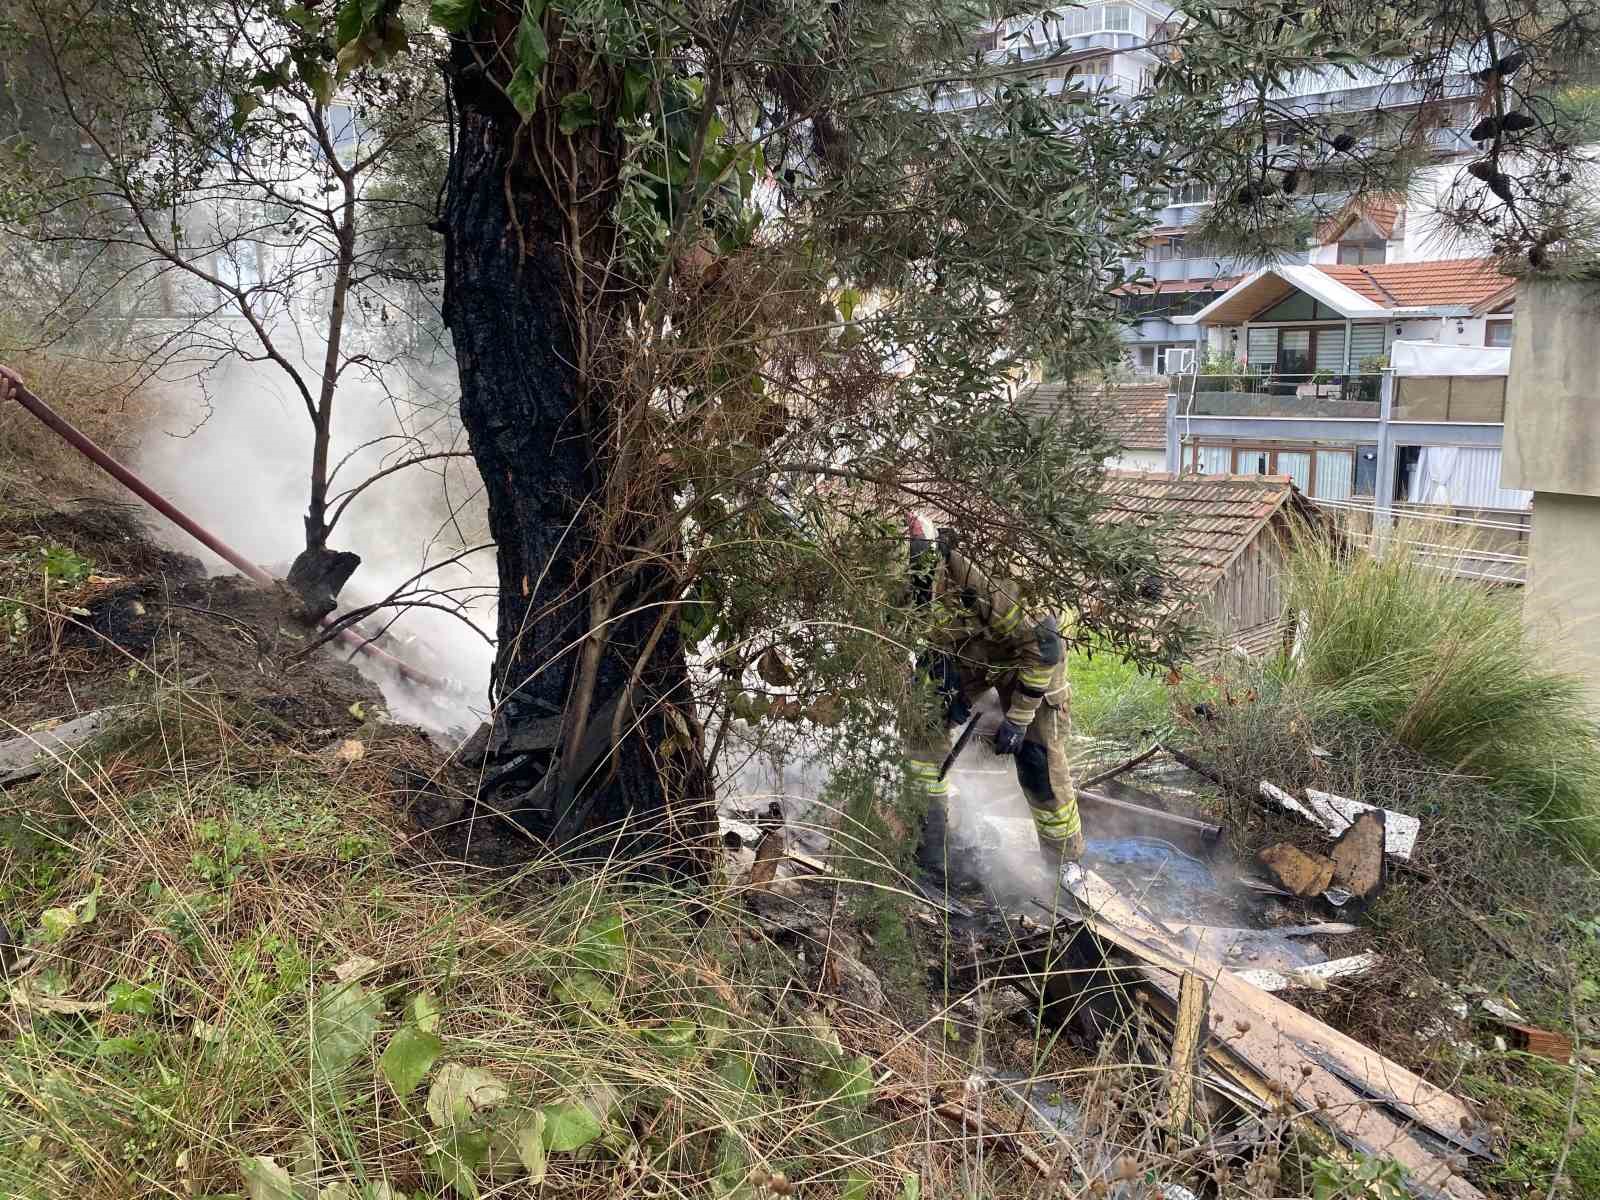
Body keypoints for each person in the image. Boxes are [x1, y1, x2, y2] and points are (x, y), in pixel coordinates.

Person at [902, 512, 1084, 881]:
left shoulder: (991, 581)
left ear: (941, 564)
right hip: (969, 648)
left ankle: (1064, 864)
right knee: (923, 718)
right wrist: (938, 674)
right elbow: (904, 629)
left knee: (1037, 761)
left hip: (1029, 655)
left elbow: (1043, 646)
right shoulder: (900, 572)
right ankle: (930, 841)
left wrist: (1018, 718)